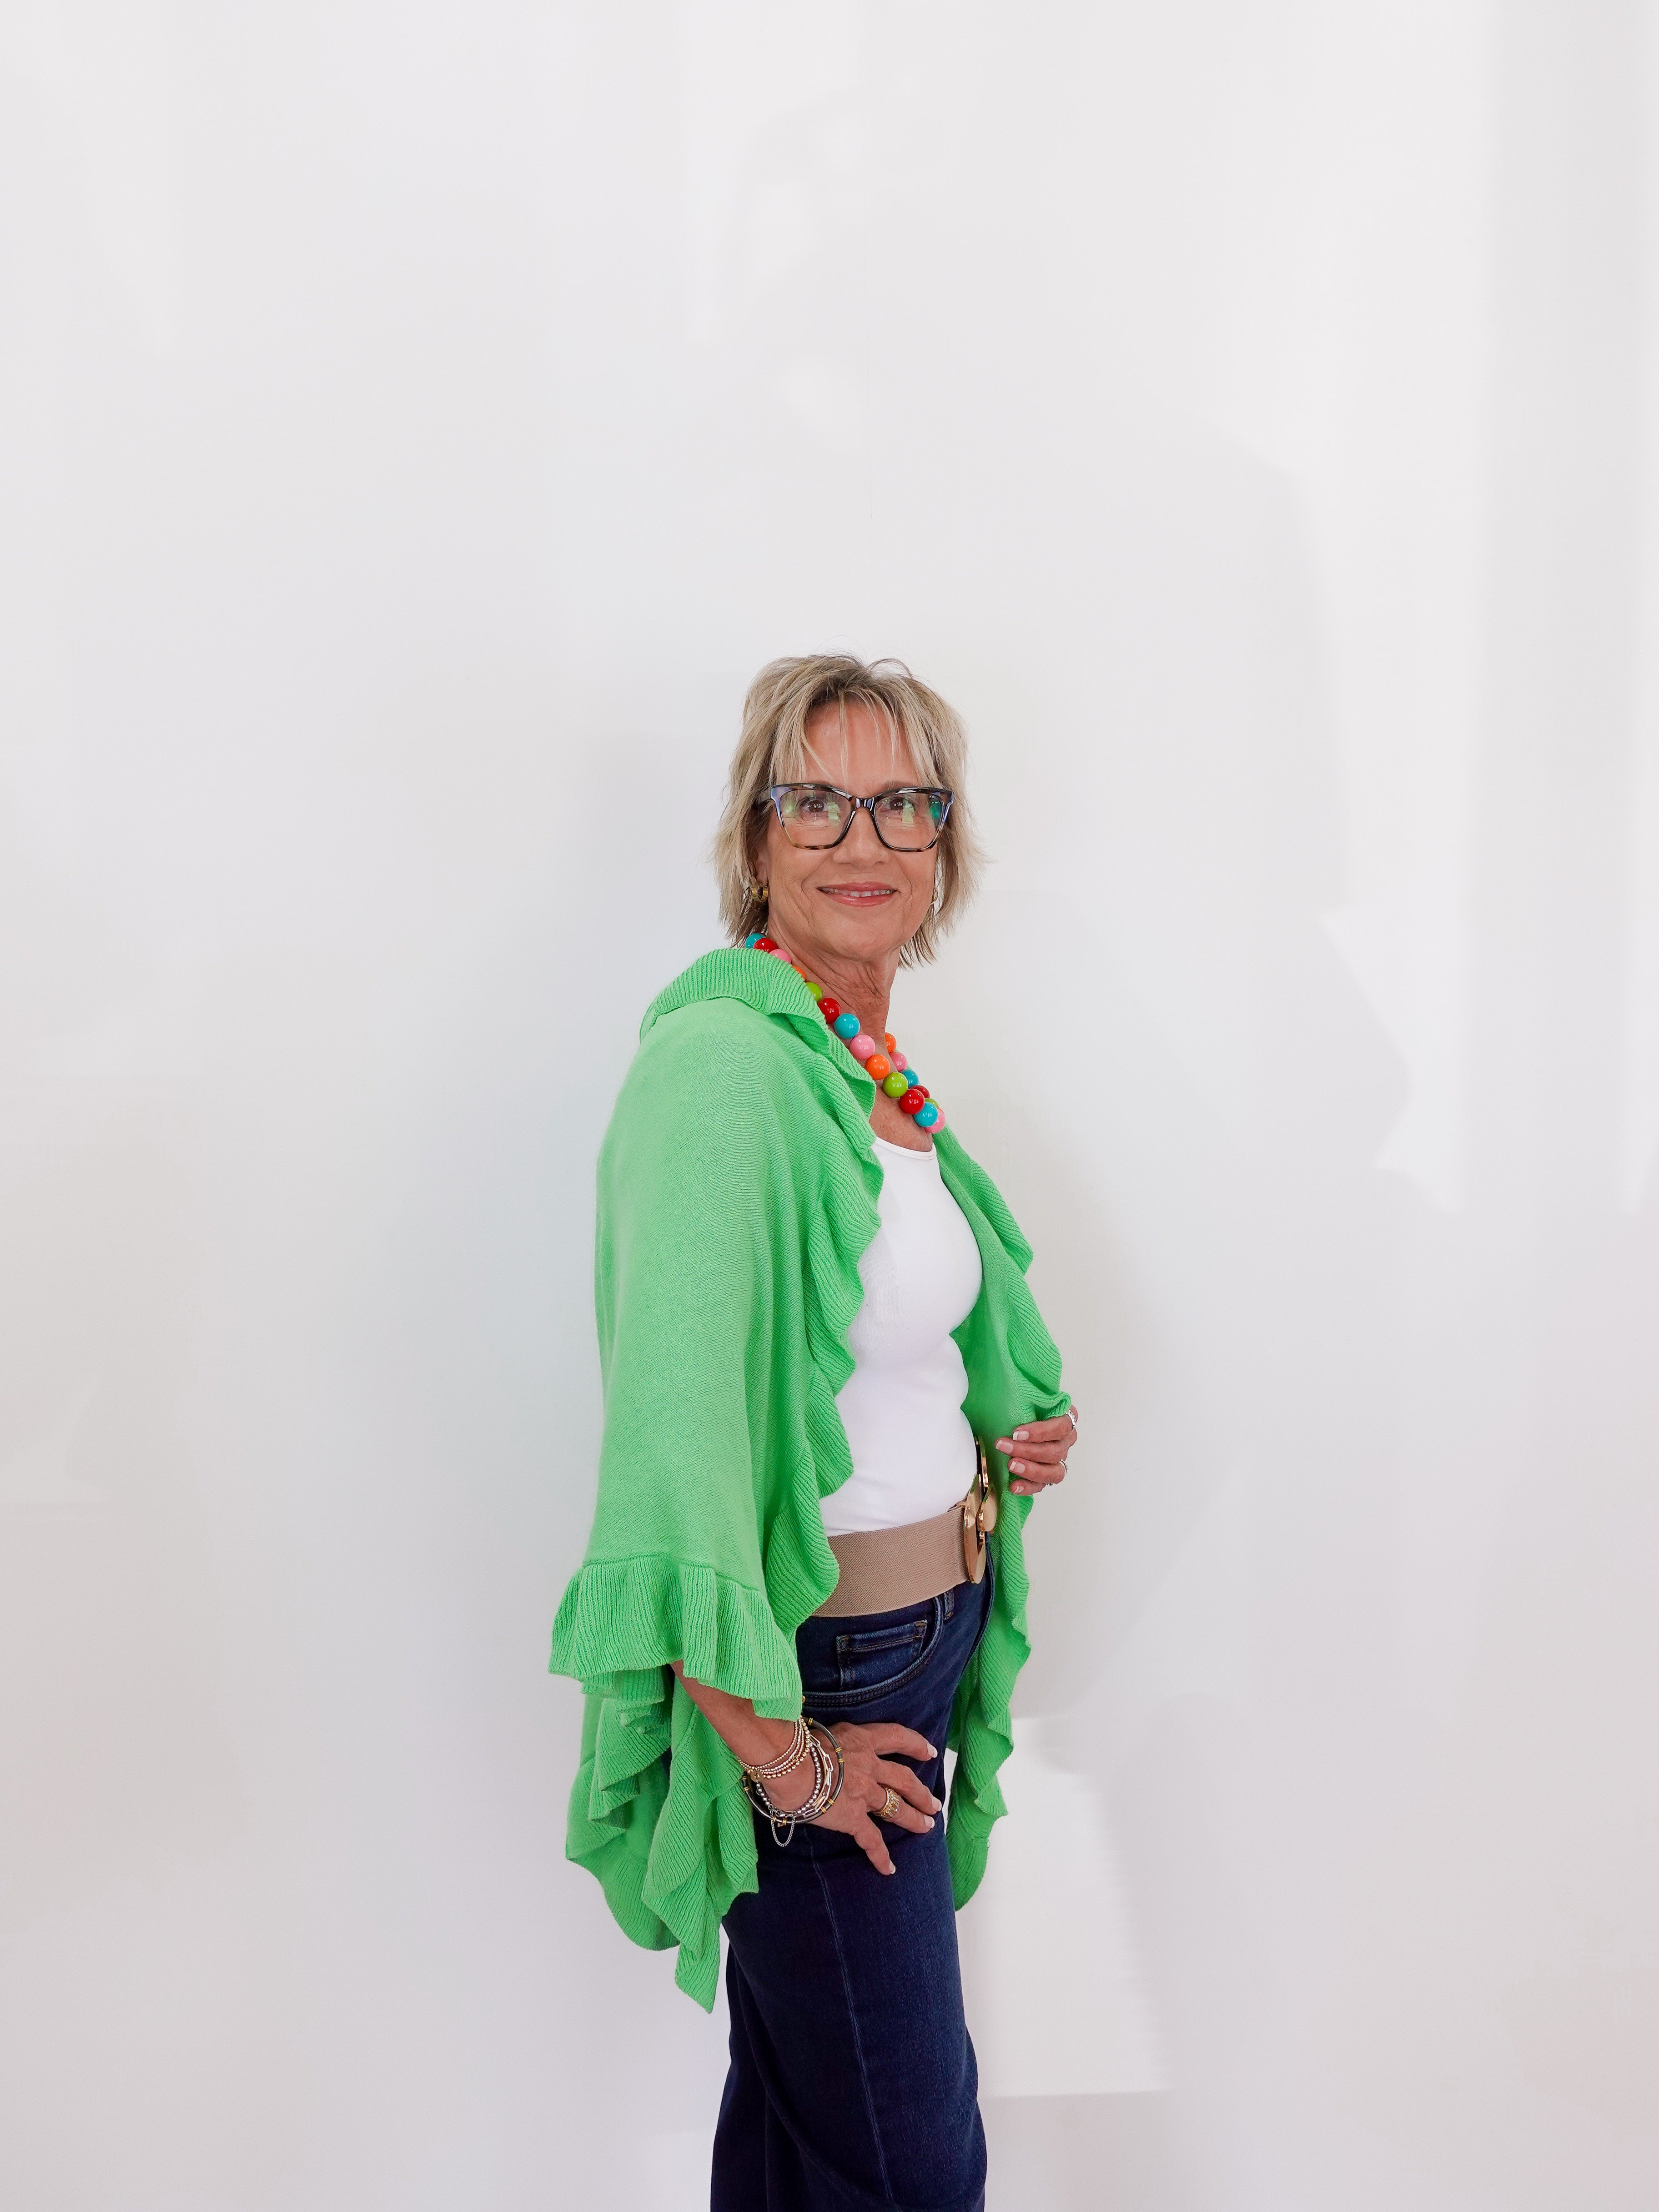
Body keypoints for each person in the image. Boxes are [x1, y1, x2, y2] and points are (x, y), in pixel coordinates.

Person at [548, 654, 1076, 2212]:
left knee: (809, 2132)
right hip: (815, 1674)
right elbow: (677, 1453)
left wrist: (994, 1429)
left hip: (915, 1636)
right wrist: (781, 1757)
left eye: (903, 803)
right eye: (818, 800)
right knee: (909, 2162)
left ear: (944, 848)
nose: (865, 838)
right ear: (757, 841)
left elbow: (868, 1335)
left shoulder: (857, 1064)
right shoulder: (725, 1075)